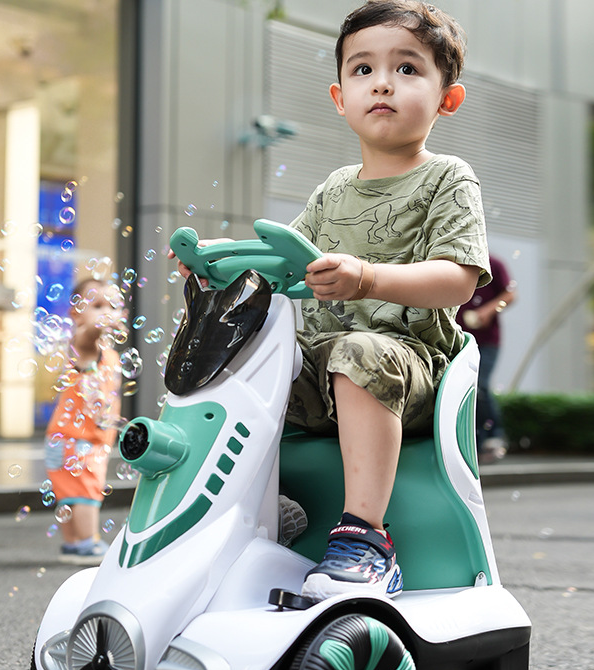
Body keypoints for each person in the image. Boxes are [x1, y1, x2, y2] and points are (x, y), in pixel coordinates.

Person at [170, 0, 490, 601]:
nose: (384, 83)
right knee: (239, 371)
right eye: (363, 69)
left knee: (360, 351)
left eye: (408, 69)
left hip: (406, 366)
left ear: (448, 97)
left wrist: (367, 278)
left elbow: (458, 279)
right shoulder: (331, 190)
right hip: (321, 367)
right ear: (340, 97)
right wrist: (220, 261)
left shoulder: (448, 177)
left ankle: (367, 540)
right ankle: (251, 517)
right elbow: (284, 260)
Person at [44, 278, 125, 565]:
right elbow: (89, 334)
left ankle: (72, 543)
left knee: (69, 494)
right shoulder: (84, 346)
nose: (107, 312)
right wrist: (97, 324)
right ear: (76, 313)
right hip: (79, 440)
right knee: (87, 492)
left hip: (66, 437)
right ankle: (88, 542)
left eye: (114, 306)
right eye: (97, 306)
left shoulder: (109, 354)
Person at [456, 254, 517, 463]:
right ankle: (474, 441)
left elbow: (510, 295)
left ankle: (494, 436)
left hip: (486, 341)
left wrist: (487, 311)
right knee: (461, 388)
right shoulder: (453, 262)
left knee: (479, 385)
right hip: (456, 340)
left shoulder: (494, 264)